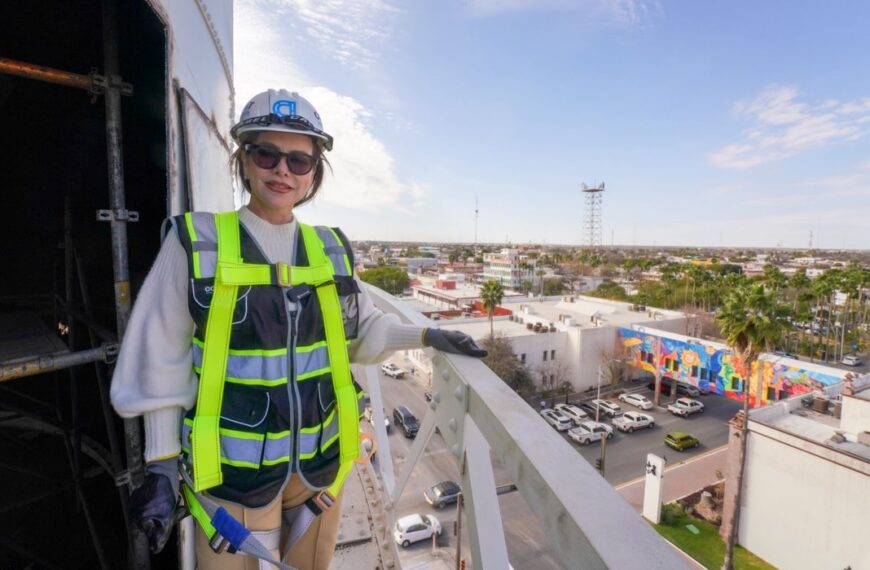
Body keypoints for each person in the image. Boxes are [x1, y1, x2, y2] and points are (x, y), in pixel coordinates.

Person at [110, 89, 486, 570]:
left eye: (299, 160)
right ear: (243, 159)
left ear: (314, 174)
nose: (282, 170)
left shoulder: (329, 249)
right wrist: (162, 464)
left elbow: (361, 330)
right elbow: (159, 357)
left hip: (319, 470)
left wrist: (426, 336)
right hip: (232, 474)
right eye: (266, 153)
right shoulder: (196, 242)